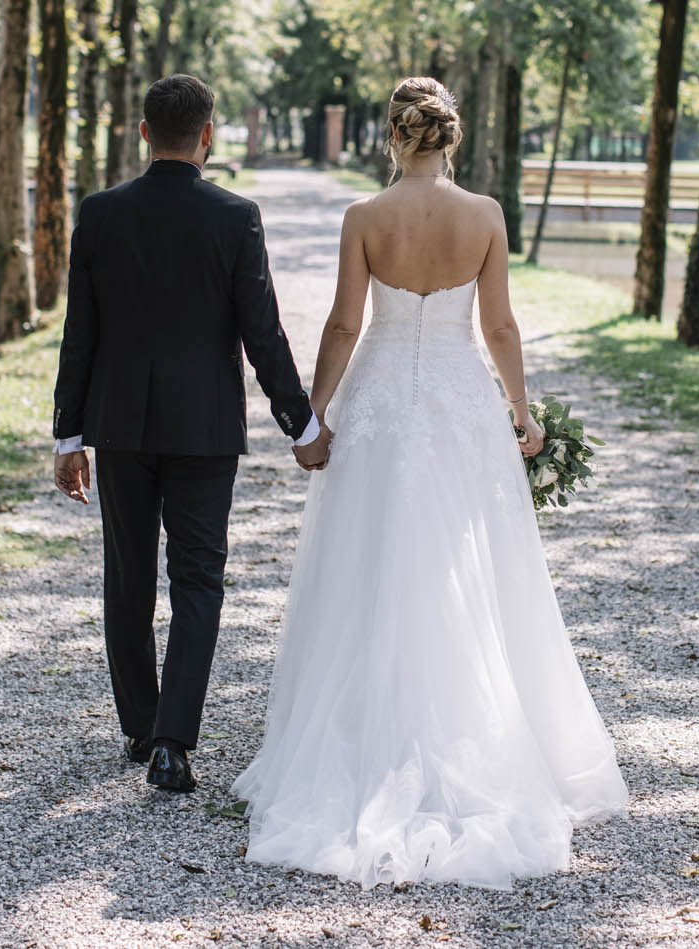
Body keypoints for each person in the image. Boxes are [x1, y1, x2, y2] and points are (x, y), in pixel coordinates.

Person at [232, 76, 627, 889]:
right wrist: (523, 415)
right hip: (457, 408)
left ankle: (361, 732)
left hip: (379, 403)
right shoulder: (483, 215)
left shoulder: (364, 218)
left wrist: (314, 415)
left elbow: (345, 323)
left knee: (367, 561)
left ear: (394, 135)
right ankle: (469, 733)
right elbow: (501, 325)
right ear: (450, 136)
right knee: (467, 569)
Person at [51, 73, 333, 794]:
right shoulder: (234, 216)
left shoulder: (100, 213)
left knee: (129, 575)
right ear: (208, 135)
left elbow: (79, 332)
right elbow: (262, 333)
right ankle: (173, 744)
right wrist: (300, 422)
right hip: (205, 428)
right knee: (198, 577)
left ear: (144, 133)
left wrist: (67, 436)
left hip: (117, 428)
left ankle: (141, 724)